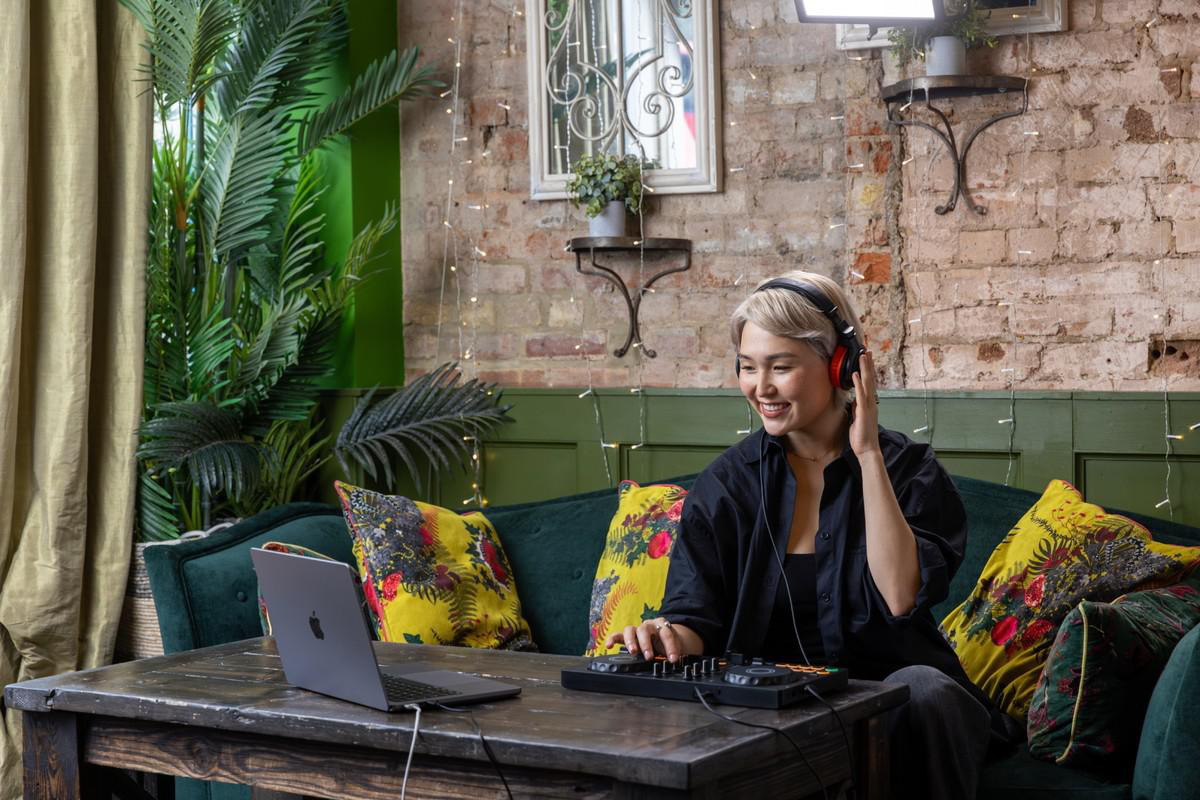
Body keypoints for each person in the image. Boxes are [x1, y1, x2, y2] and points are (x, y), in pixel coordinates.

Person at [605, 270, 1018, 800]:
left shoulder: (907, 470)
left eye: (781, 367)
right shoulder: (725, 485)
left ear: (840, 368)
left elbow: (900, 597)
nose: (762, 388)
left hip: (894, 709)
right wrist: (664, 635)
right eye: (748, 368)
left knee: (926, 689)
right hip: (767, 713)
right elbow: (696, 618)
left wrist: (867, 453)